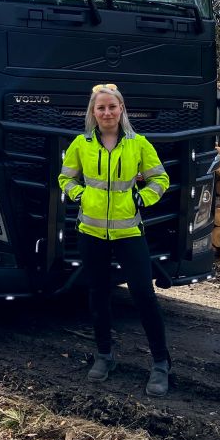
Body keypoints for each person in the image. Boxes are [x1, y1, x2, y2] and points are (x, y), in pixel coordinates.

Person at [57, 84, 172, 397]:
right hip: (91, 232)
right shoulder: (81, 144)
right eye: (100, 108)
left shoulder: (139, 145)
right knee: (97, 294)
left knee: (143, 295)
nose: (107, 113)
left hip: (128, 233)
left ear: (122, 110)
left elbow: (161, 179)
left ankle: (161, 364)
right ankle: (105, 356)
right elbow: (65, 177)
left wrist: (141, 199)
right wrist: (78, 194)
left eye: (112, 107)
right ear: (93, 113)